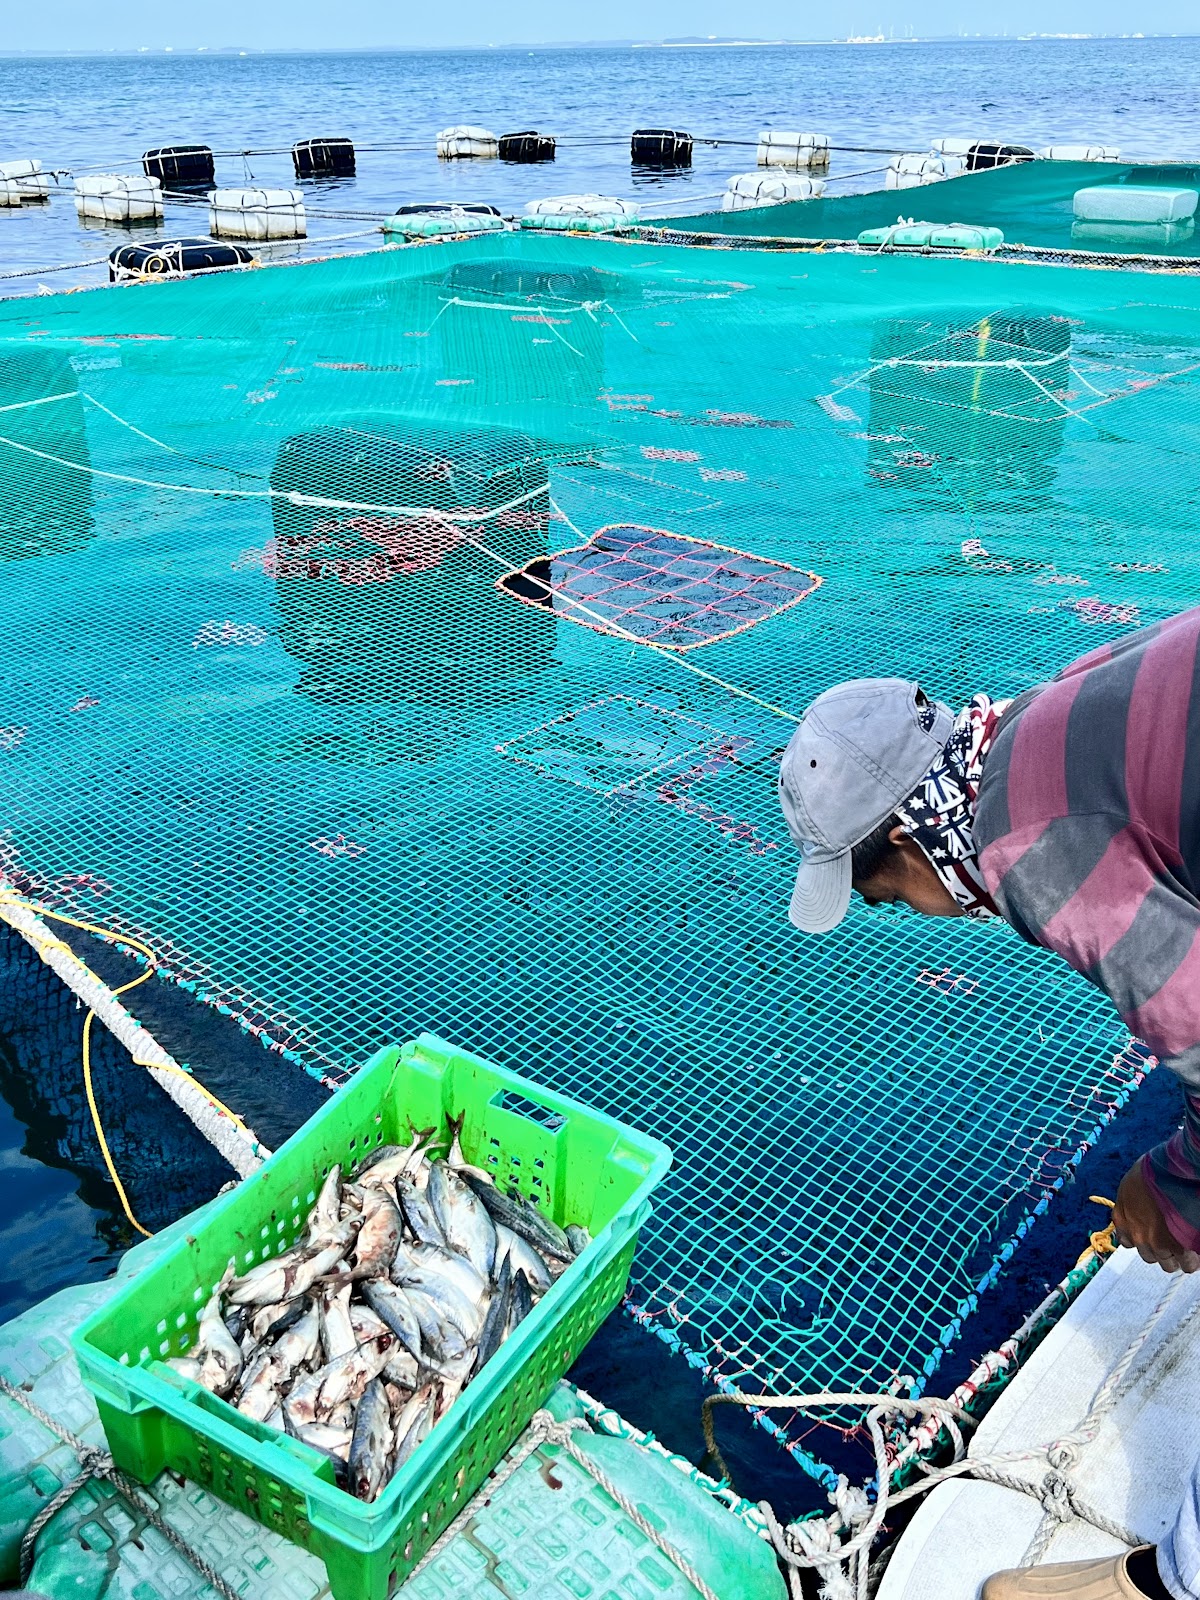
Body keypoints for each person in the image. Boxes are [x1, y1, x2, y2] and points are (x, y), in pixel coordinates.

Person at [777, 606, 1200, 1600]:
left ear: (906, 840)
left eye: (883, 893)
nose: (904, 911)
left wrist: (1174, 1194)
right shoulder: (1049, 709)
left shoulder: (1033, 848)